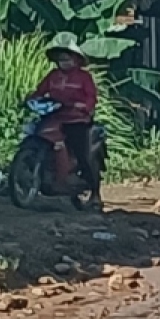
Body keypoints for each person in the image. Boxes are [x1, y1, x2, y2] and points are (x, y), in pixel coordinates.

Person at [28, 33, 101, 209]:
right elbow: (40, 91)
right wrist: (31, 99)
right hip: (55, 117)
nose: (64, 62)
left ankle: (95, 193)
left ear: (75, 59)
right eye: (61, 59)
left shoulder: (84, 77)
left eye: (67, 58)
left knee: (81, 151)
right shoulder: (52, 76)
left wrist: (83, 106)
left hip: (77, 119)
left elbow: (91, 97)